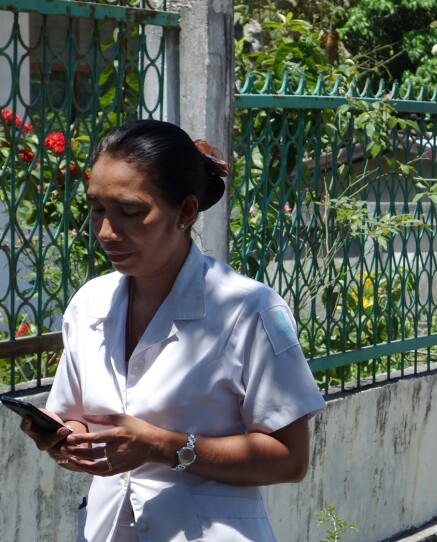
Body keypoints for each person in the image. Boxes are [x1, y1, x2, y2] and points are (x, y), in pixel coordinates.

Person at [20, 119, 326, 542]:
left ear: (184, 212)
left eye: (130, 212)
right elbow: (78, 422)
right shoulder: (90, 304)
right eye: (97, 209)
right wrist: (62, 438)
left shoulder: (247, 310)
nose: (107, 232)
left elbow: (290, 460)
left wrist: (161, 446)